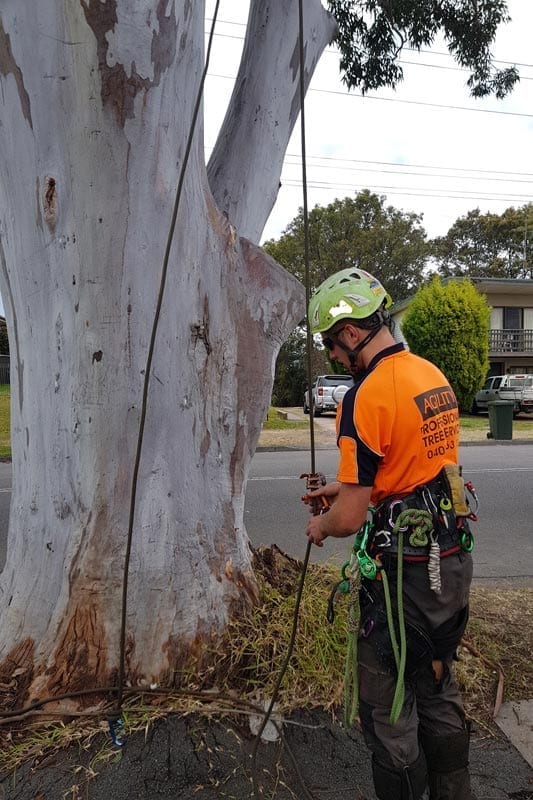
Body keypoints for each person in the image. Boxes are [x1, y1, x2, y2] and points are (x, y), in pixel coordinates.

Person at [304, 268, 476, 800]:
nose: (333, 356)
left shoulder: (364, 396)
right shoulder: (432, 376)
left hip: (402, 574)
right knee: (437, 680)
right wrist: (345, 486)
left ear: (352, 333)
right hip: (449, 558)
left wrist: (321, 524)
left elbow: (351, 519)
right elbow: (413, 465)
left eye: (333, 345)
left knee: (389, 701)